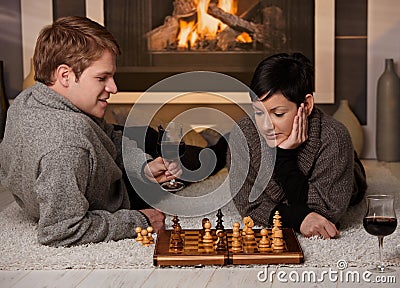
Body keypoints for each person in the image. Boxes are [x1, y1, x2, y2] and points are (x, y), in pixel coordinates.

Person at [0, 16, 182, 247]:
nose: (113, 88)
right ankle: (219, 150)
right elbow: (61, 231)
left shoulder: (29, 98)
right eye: (101, 78)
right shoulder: (65, 149)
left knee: (143, 137)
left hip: (91, 171)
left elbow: (106, 137)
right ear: (65, 75)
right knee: (169, 147)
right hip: (104, 191)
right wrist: (139, 220)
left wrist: (142, 167)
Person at [227, 52, 367, 239]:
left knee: (351, 177)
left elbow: (327, 212)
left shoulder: (335, 138)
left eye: (278, 114)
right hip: (298, 175)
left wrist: (283, 157)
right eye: (259, 113)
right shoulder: (241, 135)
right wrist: (298, 218)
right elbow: (250, 206)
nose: (266, 125)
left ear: (307, 105)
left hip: (349, 178)